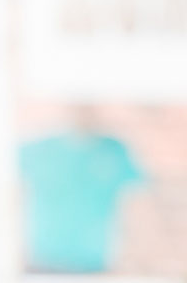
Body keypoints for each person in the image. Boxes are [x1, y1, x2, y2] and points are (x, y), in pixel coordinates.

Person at [18, 106, 144, 274]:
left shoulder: (113, 150)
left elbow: (140, 201)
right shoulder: (39, 150)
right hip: (44, 261)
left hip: (94, 264)